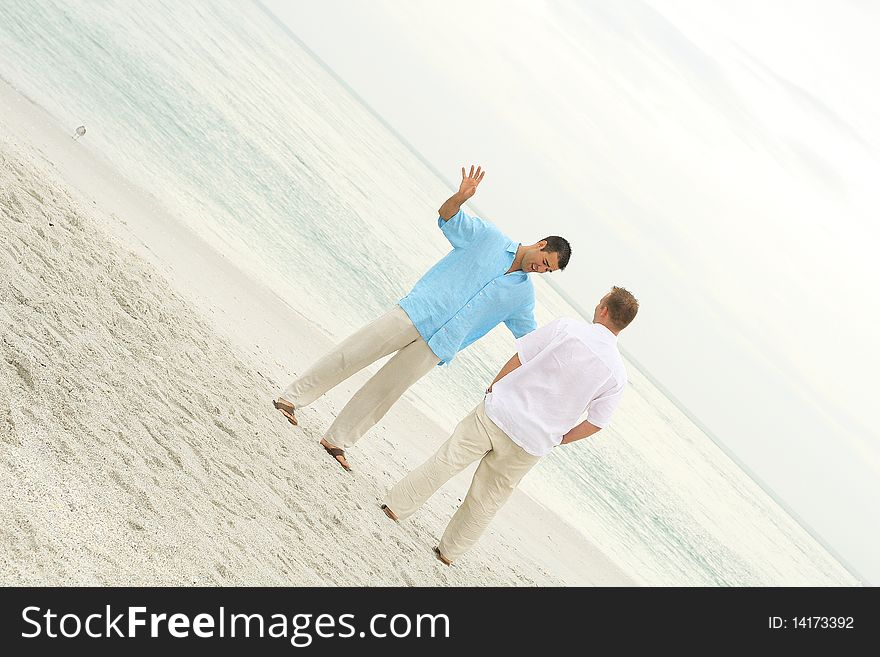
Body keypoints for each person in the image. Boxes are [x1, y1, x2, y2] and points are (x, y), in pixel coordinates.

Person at [273, 165, 572, 471]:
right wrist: (460, 197)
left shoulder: (523, 297)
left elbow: (531, 339)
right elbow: (447, 217)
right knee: (351, 355)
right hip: (417, 312)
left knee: (385, 392)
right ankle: (291, 399)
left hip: (439, 345)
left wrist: (564, 359)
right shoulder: (489, 238)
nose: (541, 270)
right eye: (545, 262)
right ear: (541, 245)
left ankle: (338, 440)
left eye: (548, 271)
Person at [381, 287, 638, 565]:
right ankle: (448, 553)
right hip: (532, 442)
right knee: (487, 498)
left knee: (448, 460)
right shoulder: (617, 373)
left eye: (600, 302)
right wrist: (558, 438)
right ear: (623, 325)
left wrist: (494, 386)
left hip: (500, 412)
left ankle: (397, 507)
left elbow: (521, 355)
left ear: (604, 310)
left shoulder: (567, 327)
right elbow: (596, 423)